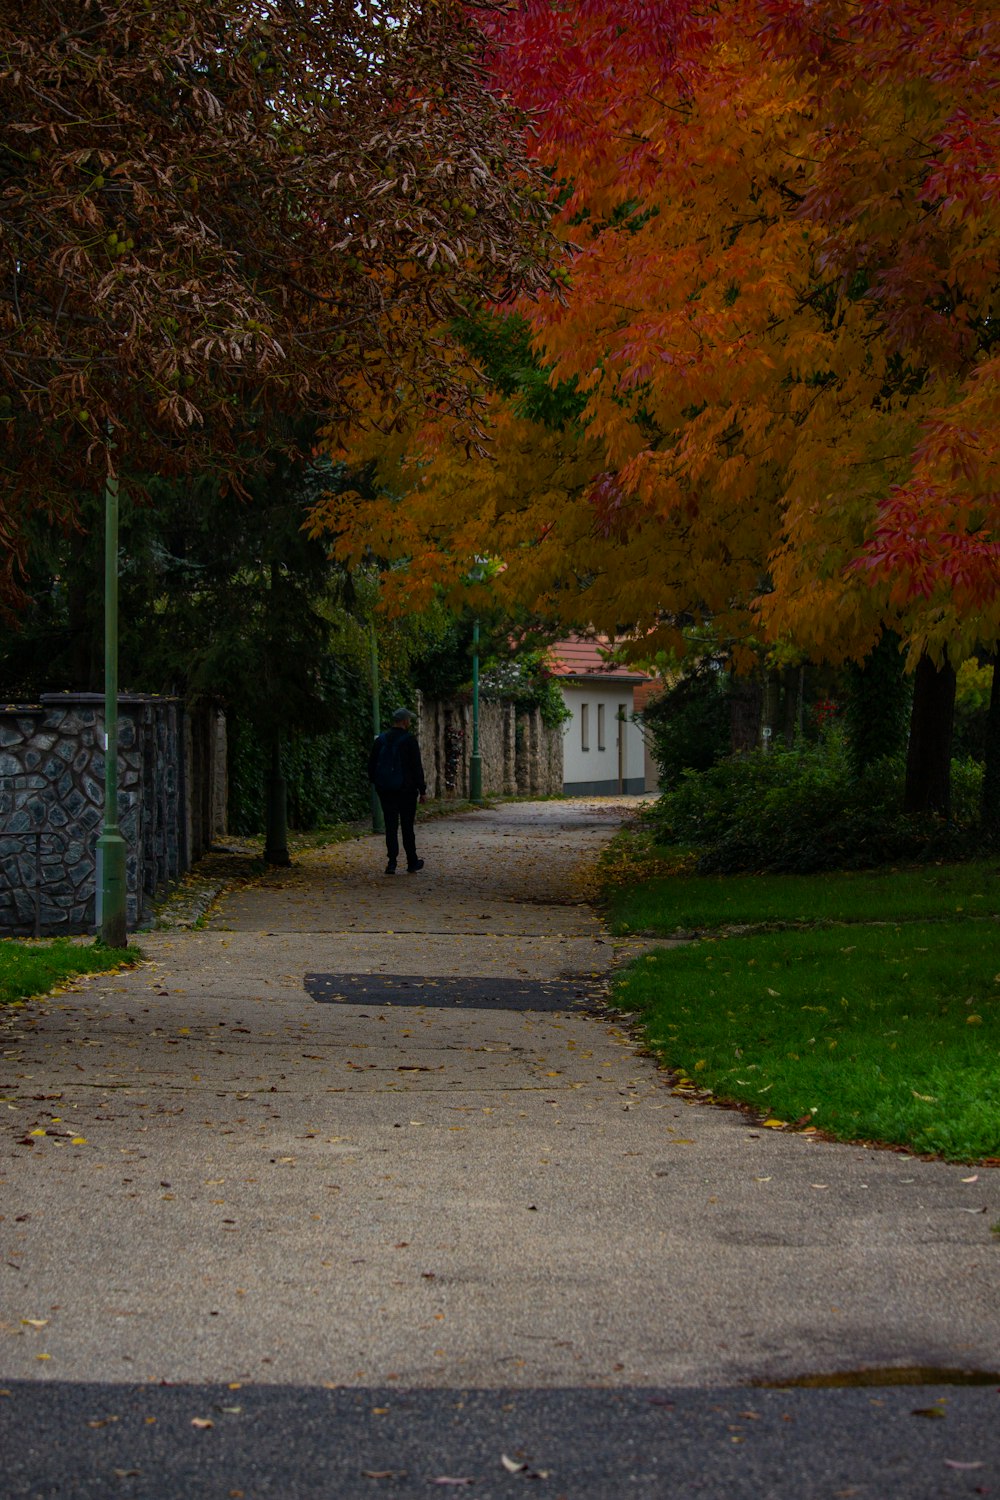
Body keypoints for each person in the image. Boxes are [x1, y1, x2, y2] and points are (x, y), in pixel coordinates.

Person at [368, 707, 427, 874]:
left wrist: (378, 783)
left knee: (390, 826)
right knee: (407, 827)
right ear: (404, 721)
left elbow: (371, 765)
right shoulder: (409, 740)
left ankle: (392, 862)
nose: (409, 722)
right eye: (409, 720)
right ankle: (411, 861)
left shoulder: (381, 740)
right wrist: (422, 790)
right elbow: (417, 767)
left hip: (386, 789)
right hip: (406, 790)